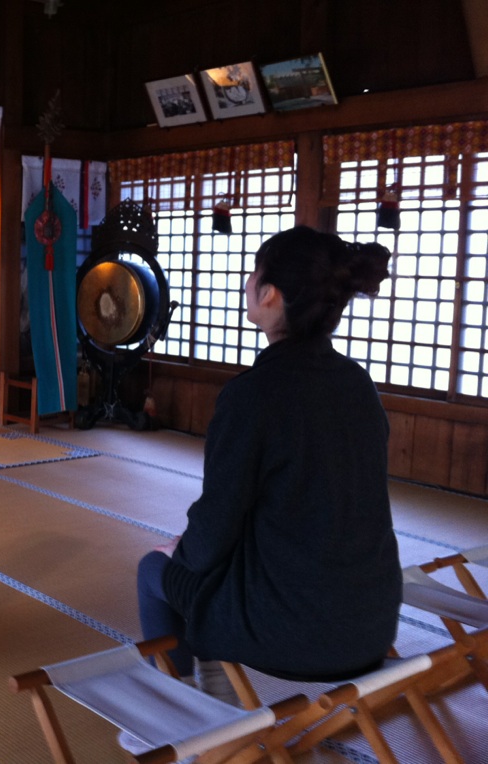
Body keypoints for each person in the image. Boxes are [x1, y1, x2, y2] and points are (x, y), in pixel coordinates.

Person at [137, 225, 403, 694]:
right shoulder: (357, 384)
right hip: (372, 624)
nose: (248, 282)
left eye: (254, 273)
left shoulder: (253, 396)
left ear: (271, 294)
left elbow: (215, 527)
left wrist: (180, 551)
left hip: (290, 631)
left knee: (155, 570)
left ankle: (181, 712)